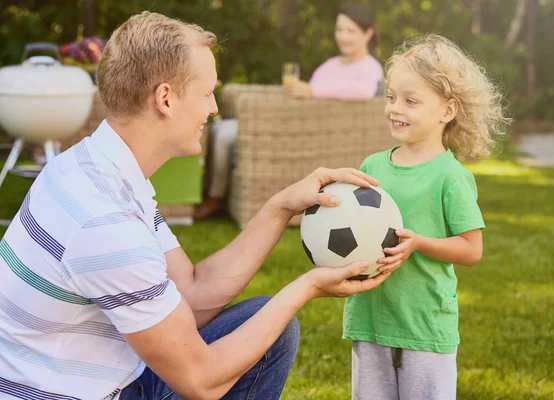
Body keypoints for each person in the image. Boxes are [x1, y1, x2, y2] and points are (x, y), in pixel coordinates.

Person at [0, 12, 397, 400]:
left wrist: (278, 208)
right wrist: (305, 287)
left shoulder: (98, 167)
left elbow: (191, 291)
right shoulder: (105, 224)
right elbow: (201, 381)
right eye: (207, 93)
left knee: (267, 323)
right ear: (166, 99)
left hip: (108, 375)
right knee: (271, 321)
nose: (214, 108)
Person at [343, 34, 510, 400]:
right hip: (370, 322)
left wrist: (418, 243)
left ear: (447, 111)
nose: (395, 108)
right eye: (391, 97)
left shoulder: (450, 177)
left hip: (424, 328)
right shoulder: (372, 166)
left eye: (410, 101)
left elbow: (472, 249)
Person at [195, 2, 384, 219]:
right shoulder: (331, 64)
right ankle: (210, 193)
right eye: (339, 30)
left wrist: (312, 90)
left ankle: (214, 200)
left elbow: (362, 92)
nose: (343, 36)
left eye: (351, 31)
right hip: (296, 125)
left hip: (315, 137)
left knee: (224, 134)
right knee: (220, 129)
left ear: (368, 34)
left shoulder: (369, 67)